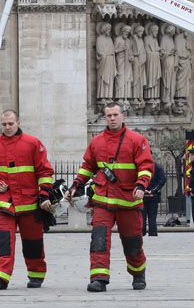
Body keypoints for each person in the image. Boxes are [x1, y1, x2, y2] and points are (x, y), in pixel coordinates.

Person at [68, 102, 155, 292]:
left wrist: (141, 185)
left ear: (122, 116)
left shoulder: (137, 140)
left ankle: (138, 273)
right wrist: (77, 184)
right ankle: (99, 278)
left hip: (129, 201)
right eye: (109, 115)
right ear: (104, 118)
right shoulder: (96, 142)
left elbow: (146, 167)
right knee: (98, 240)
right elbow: (87, 166)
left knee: (133, 243)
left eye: (115, 115)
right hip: (102, 201)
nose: (112, 118)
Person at [0, 109, 57, 290]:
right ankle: (0, 276)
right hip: (5, 204)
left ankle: (36, 274)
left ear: (18, 123)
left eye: (10, 124)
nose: (7, 127)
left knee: (33, 242)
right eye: (4, 124)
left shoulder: (33, 143)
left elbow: (45, 171)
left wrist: (44, 193)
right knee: (2, 241)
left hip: (29, 204)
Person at [142, 163, 167, 237]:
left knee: (142, 217)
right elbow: (162, 180)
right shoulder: (157, 166)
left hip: (145, 195)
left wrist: (143, 189)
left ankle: (142, 233)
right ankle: (152, 234)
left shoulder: (142, 165)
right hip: (153, 195)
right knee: (152, 217)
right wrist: (154, 190)